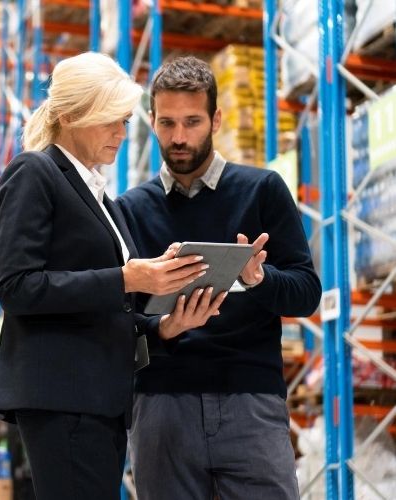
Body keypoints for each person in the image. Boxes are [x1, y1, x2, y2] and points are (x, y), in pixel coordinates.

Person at [0, 52, 208, 500]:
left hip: (99, 397)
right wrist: (126, 279)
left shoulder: (99, 196)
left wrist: (165, 326)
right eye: (109, 120)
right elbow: (16, 286)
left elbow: (107, 305)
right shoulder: (35, 173)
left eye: (124, 121)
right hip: (63, 395)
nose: (120, 134)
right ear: (69, 115)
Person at [116, 56, 322, 499]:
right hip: (162, 405)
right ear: (151, 121)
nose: (179, 137)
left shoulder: (262, 190)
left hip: (250, 399)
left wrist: (259, 279)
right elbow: (118, 320)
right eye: (167, 123)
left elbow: (306, 294)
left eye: (192, 121)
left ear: (217, 119)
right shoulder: (130, 210)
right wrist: (166, 328)